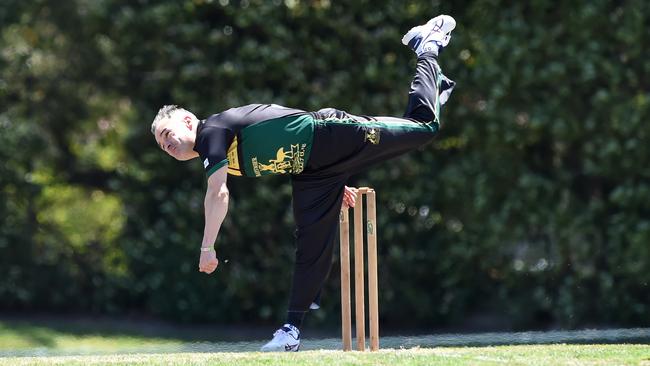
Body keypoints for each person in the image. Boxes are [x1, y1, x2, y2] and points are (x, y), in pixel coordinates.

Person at [150, 14, 457, 352]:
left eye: (168, 134)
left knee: (423, 128)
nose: (169, 145)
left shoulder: (212, 132)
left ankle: (427, 47)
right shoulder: (216, 150)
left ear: (188, 120)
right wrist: (333, 183)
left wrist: (207, 247)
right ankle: (290, 332)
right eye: (163, 147)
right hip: (313, 172)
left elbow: (217, 193)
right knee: (310, 244)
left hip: (332, 135)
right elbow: (276, 149)